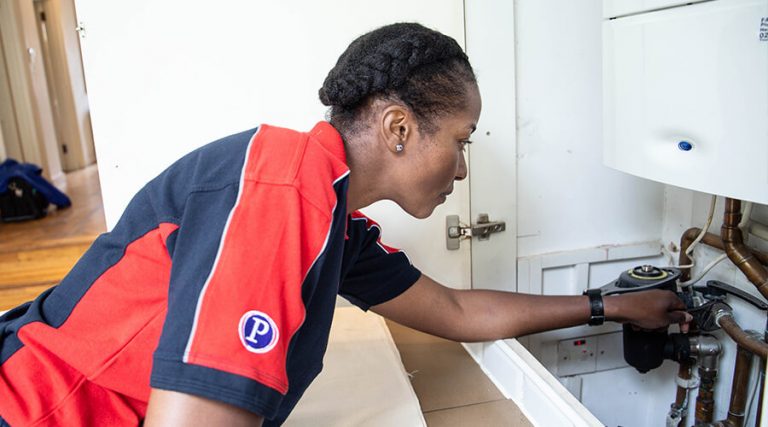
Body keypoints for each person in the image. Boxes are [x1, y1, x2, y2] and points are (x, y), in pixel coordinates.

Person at [0, 23, 691, 427]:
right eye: (462, 138)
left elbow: (453, 308)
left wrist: (611, 304)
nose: (461, 168)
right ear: (397, 128)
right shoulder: (282, 187)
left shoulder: (329, 214)